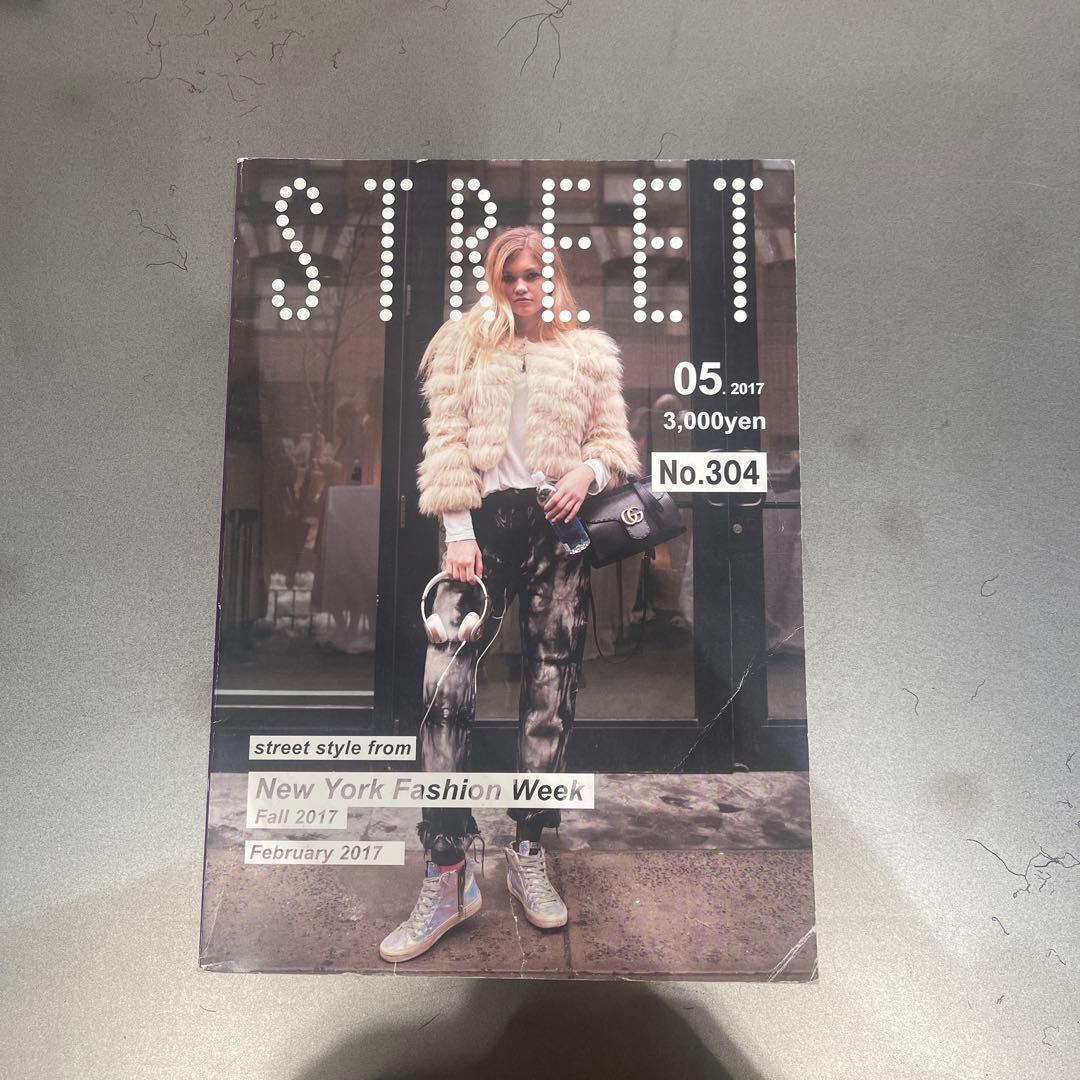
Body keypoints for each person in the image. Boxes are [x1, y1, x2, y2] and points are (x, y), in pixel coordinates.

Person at [379, 225, 640, 962]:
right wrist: (458, 531)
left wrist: (587, 472)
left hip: (557, 527)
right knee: (443, 687)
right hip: (480, 531)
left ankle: (529, 850)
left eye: (535, 274)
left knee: (551, 686)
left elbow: (614, 445)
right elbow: (446, 441)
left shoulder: (588, 354)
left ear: (555, 279)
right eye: (511, 275)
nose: (524, 286)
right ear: (495, 280)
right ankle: (447, 870)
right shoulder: (463, 346)